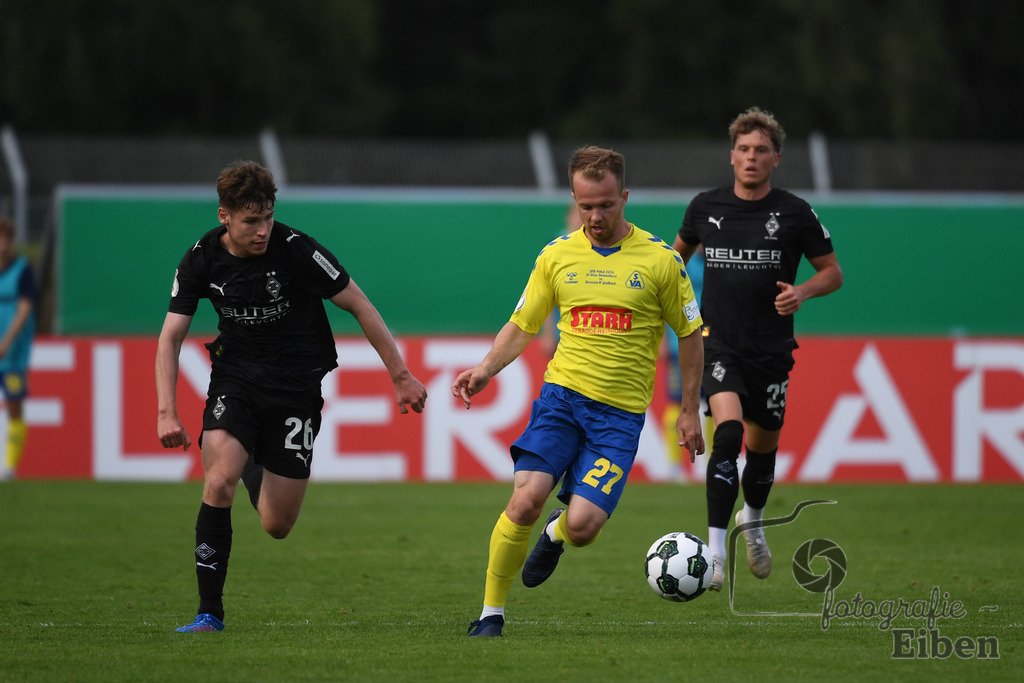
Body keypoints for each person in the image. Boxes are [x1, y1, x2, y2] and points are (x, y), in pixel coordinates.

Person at [156, 161, 427, 633]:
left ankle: (253, 463)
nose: (262, 230)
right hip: (235, 379)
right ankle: (209, 613)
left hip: (296, 388)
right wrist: (166, 412)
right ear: (225, 216)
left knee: (277, 524)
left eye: (267, 218)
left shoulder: (297, 250)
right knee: (218, 479)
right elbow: (171, 337)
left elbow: (359, 303)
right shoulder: (200, 258)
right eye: (250, 221)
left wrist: (400, 375)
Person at [453, 147, 704, 638]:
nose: (595, 216)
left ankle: (556, 533)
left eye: (606, 205)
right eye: (586, 206)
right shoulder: (556, 255)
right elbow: (522, 324)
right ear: (574, 199)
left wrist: (691, 409)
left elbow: (691, 334)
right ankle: (490, 614)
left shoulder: (660, 261)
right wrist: (486, 369)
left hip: (619, 417)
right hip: (561, 401)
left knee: (584, 526)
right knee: (525, 498)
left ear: (624, 198)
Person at [672, 107, 843, 591]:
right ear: (731, 157)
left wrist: (802, 292)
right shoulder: (705, 207)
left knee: (761, 450)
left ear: (776, 158)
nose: (751, 157)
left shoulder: (794, 212)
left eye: (760, 150)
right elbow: (671, 263)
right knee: (727, 435)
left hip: (770, 351)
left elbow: (833, 272)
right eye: (744, 150)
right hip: (717, 345)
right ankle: (713, 551)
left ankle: (754, 521)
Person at [0, 217, 37, 480]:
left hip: (12, 354)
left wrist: (6, 342)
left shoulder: (23, 270)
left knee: (14, 405)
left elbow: (24, 309)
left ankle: (10, 466)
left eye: (4, 238)